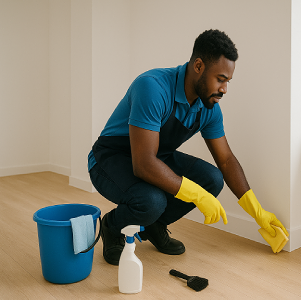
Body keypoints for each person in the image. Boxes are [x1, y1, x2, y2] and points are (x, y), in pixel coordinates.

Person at [88, 29, 288, 265]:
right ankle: (113, 226)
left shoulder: (209, 107)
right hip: (110, 158)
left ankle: (153, 225)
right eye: (220, 79)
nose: (224, 89)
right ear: (199, 66)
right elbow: (143, 164)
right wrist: (197, 195)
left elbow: (225, 160)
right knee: (152, 201)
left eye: (228, 82)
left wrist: (257, 212)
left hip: (155, 157)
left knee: (212, 178)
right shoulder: (152, 88)